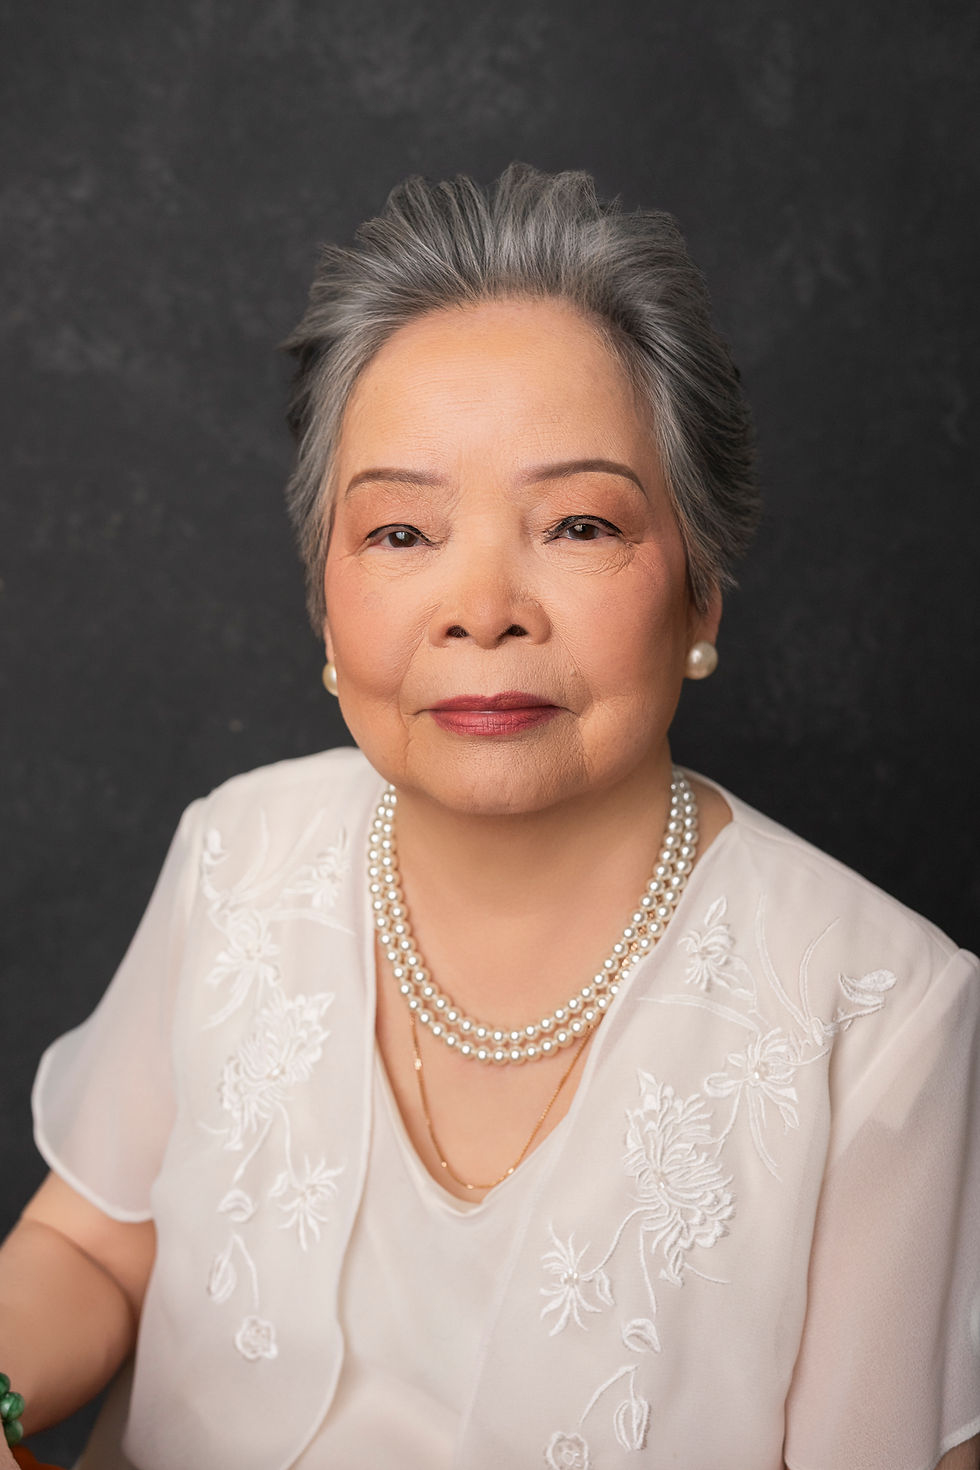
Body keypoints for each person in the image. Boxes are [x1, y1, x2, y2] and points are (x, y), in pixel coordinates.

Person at [0, 164, 977, 1470]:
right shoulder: (242, 851)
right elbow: (86, 1244)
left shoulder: (884, 1013)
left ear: (700, 597)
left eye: (576, 522)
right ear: (324, 609)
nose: (481, 608)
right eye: (402, 533)